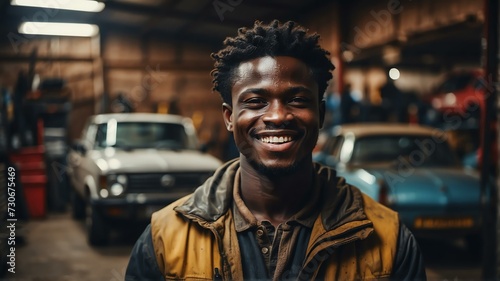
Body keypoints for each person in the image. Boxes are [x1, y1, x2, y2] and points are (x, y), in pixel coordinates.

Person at [125, 20, 427, 280]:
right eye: (256, 101)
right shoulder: (165, 237)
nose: (277, 116)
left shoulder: (388, 238)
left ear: (320, 114)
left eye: (297, 99)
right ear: (230, 118)